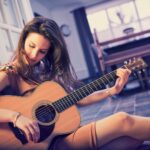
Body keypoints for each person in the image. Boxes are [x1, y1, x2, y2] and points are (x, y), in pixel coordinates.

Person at [0, 16, 148, 150]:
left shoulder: (41, 71)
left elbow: (78, 99)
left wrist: (112, 90)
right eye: (31, 46)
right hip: (47, 145)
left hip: (59, 136)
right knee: (123, 120)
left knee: (132, 140)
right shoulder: (7, 74)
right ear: (23, 40)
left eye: (42, 52)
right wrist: (16, 117)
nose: (34, 55)